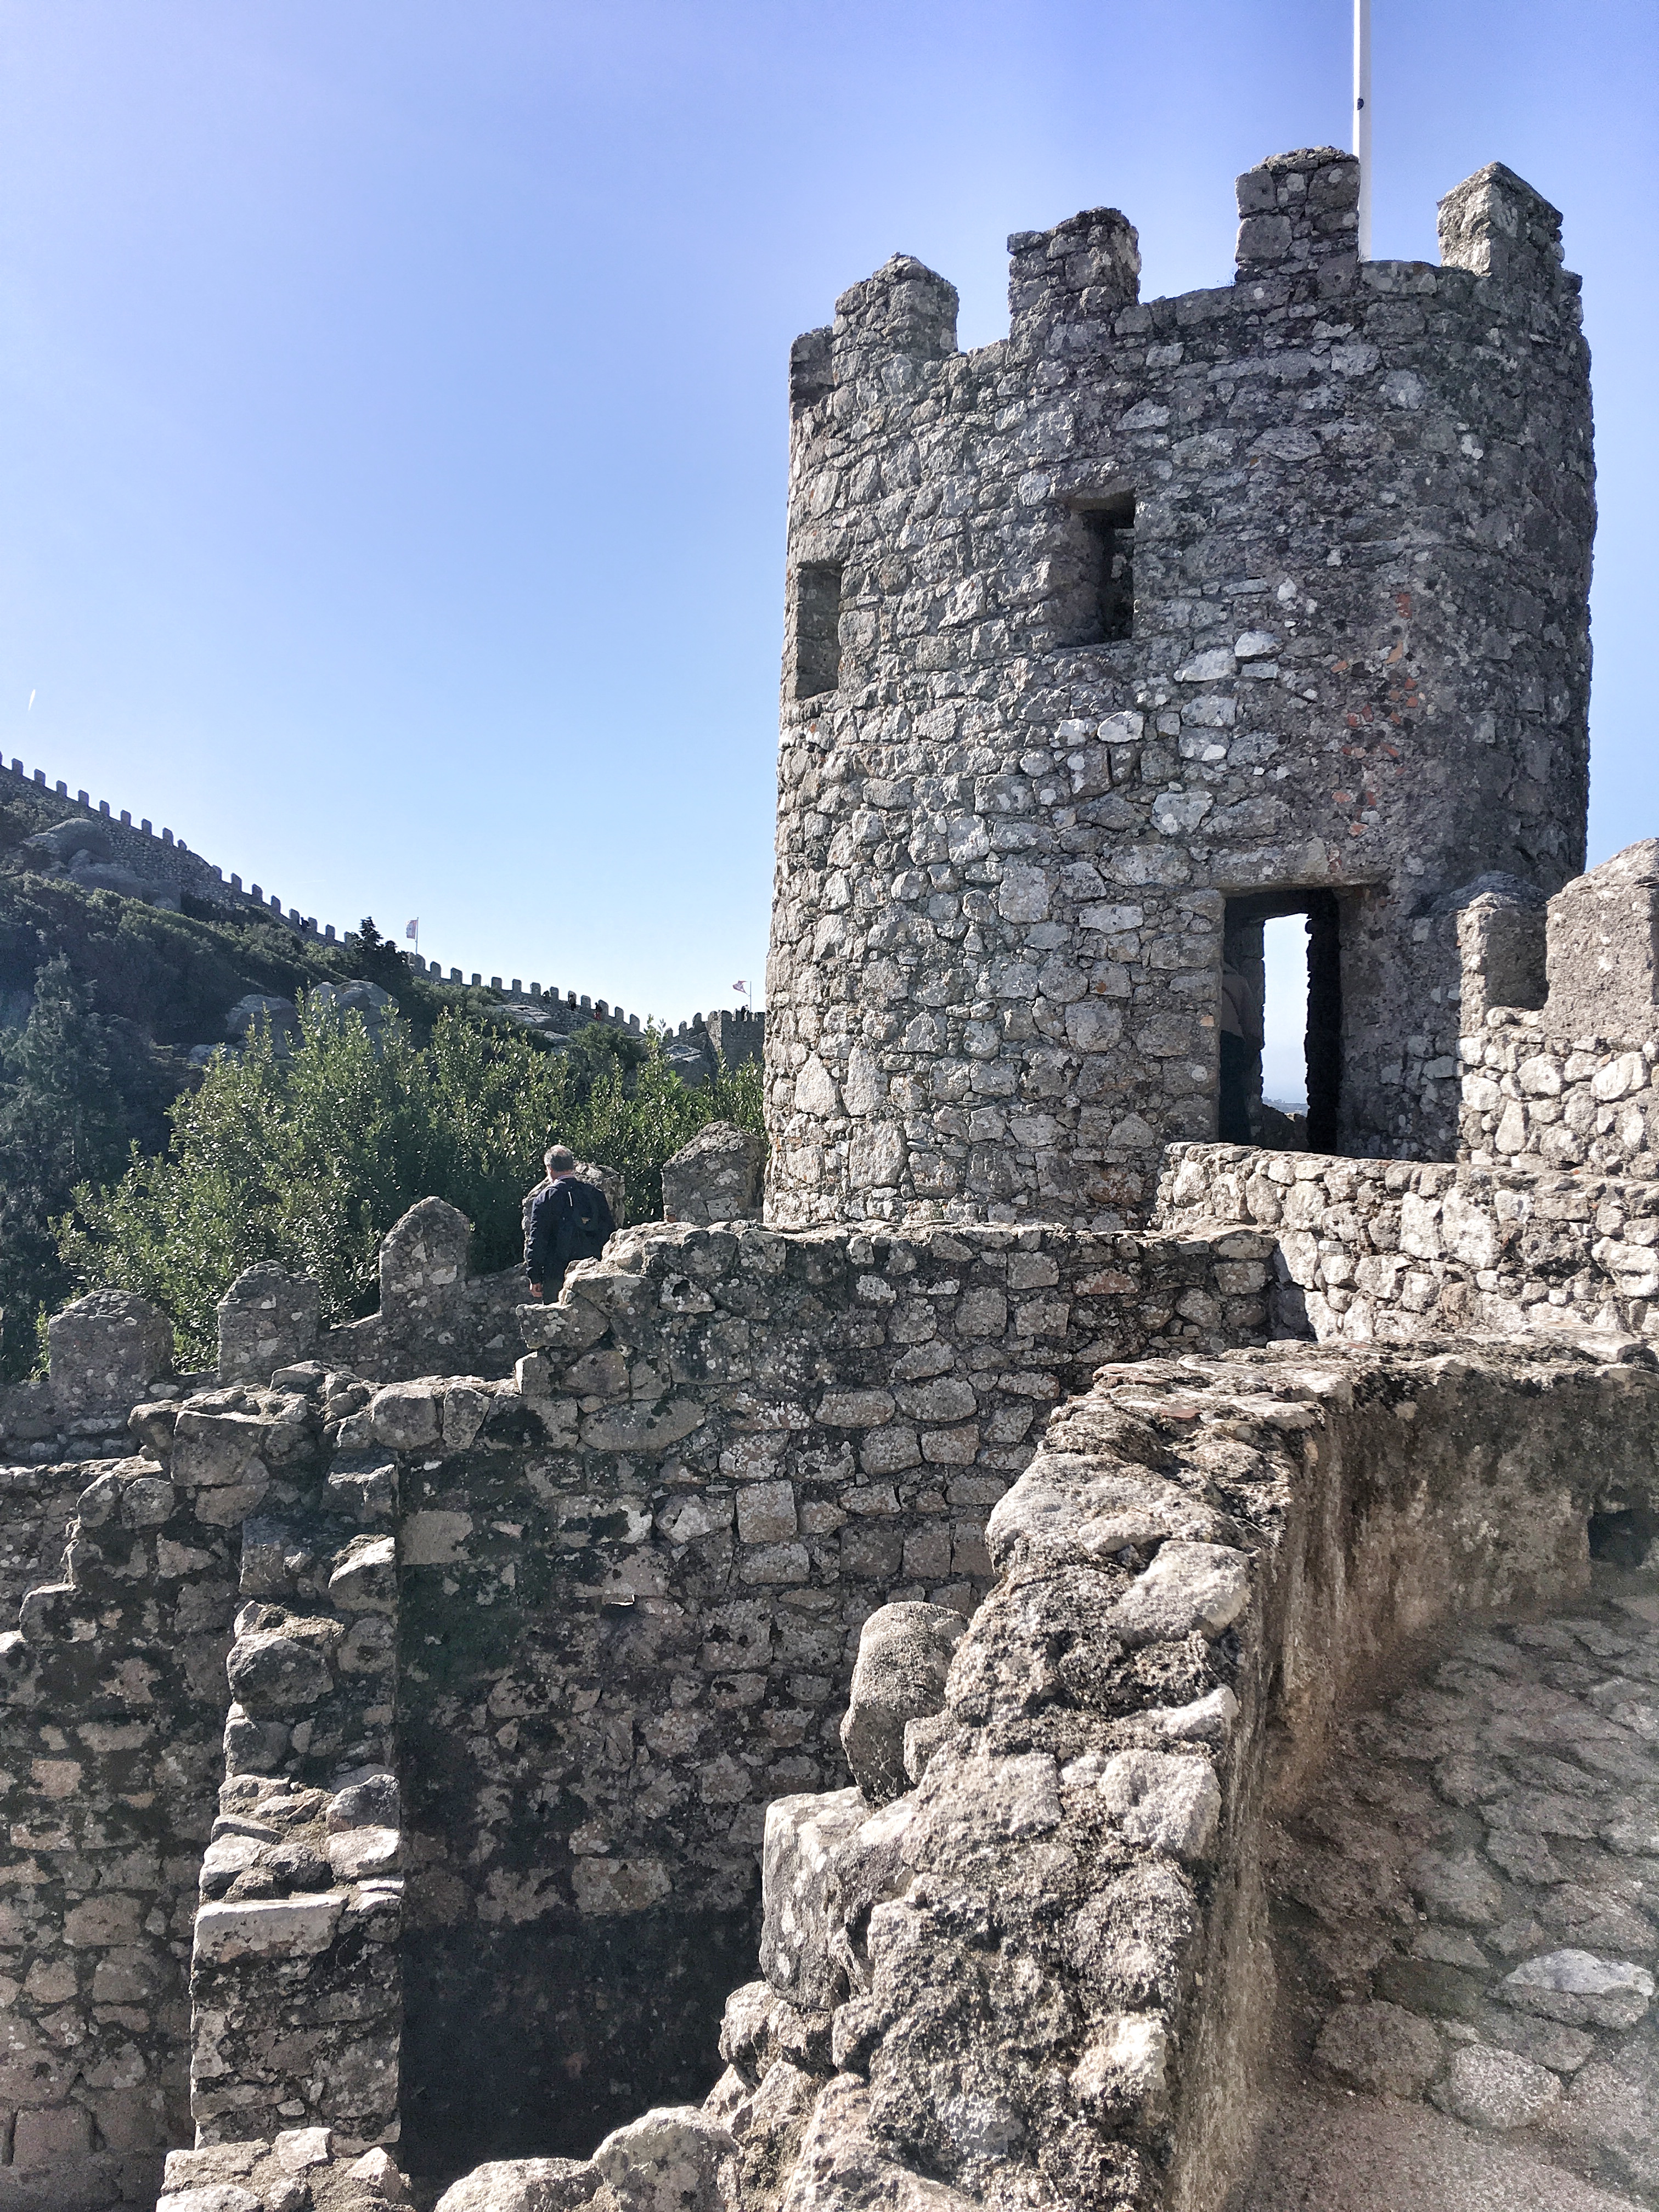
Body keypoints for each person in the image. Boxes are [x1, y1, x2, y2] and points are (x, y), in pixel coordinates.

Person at [525, 1146, 616, 1300]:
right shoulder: (595, 1194)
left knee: (557, 1319)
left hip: (557, 1273)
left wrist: (535, 1277)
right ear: (572, 1167)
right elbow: (610, 1233)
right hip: (594, 1270)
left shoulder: (546, 1198)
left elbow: (538, 1240)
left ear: (550, 1169)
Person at [1218, 962, 1264, 1144]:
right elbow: (1251, 1025)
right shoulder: (1239, 982)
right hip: (1232, 1043)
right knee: (1234, 1094)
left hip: (1219, 1041)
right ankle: (1238, 1141)